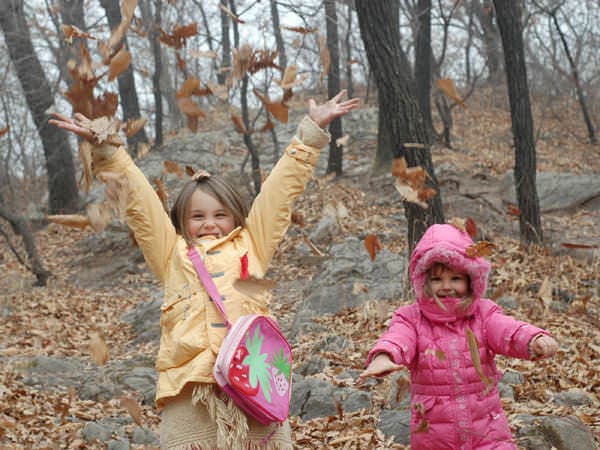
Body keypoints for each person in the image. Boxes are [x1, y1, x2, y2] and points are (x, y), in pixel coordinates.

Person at [51, 90, 360, 450]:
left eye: (219, 214)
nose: (209, 224)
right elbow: (139, 202)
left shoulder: (253, 244)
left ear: (236, 216)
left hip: (255, 384)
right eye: (197, 216)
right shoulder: (171, 253)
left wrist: (308, 134)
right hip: (189, 389)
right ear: (182, 221)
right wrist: (106, 151)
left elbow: (281, 192)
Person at [358, 223, 558, 450]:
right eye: (436, 280)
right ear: (423, 281)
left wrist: (533, 338)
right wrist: (385, 355)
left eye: (455, 279)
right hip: (434, 433)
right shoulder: (412, 318)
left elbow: (507, 330)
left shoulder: (483, 313)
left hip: (487, 431)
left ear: (471, 279)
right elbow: (398, 338)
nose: (446, 286)